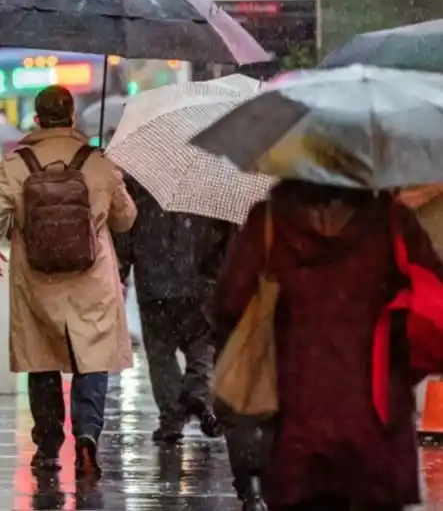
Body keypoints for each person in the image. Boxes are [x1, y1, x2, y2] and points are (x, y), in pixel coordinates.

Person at [215, 181, 443, 511]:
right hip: (375, 430)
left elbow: (229, 304)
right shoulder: (392, 223)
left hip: (298, 427)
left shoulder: (270, 222)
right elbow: (431, 308)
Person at [0, 85, 136, 479]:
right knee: (92, 357)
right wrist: (112, 181)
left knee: (41, 358)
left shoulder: (17, 163)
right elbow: (127, 218)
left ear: (38, 118)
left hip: (37, 278)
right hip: (91, 278)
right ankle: (87, 436)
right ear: (73, 116)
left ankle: (47, 446)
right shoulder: (97, 162)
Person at [121, 173, 228, 443]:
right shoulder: (209, 177)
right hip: (199, 279)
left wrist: (122, 267)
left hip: (153, 281)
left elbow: (124, 227)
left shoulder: (139, 177)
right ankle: (197, 391)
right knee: (202, 343)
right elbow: (224, 233)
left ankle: (171, 420)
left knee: (160, 353)